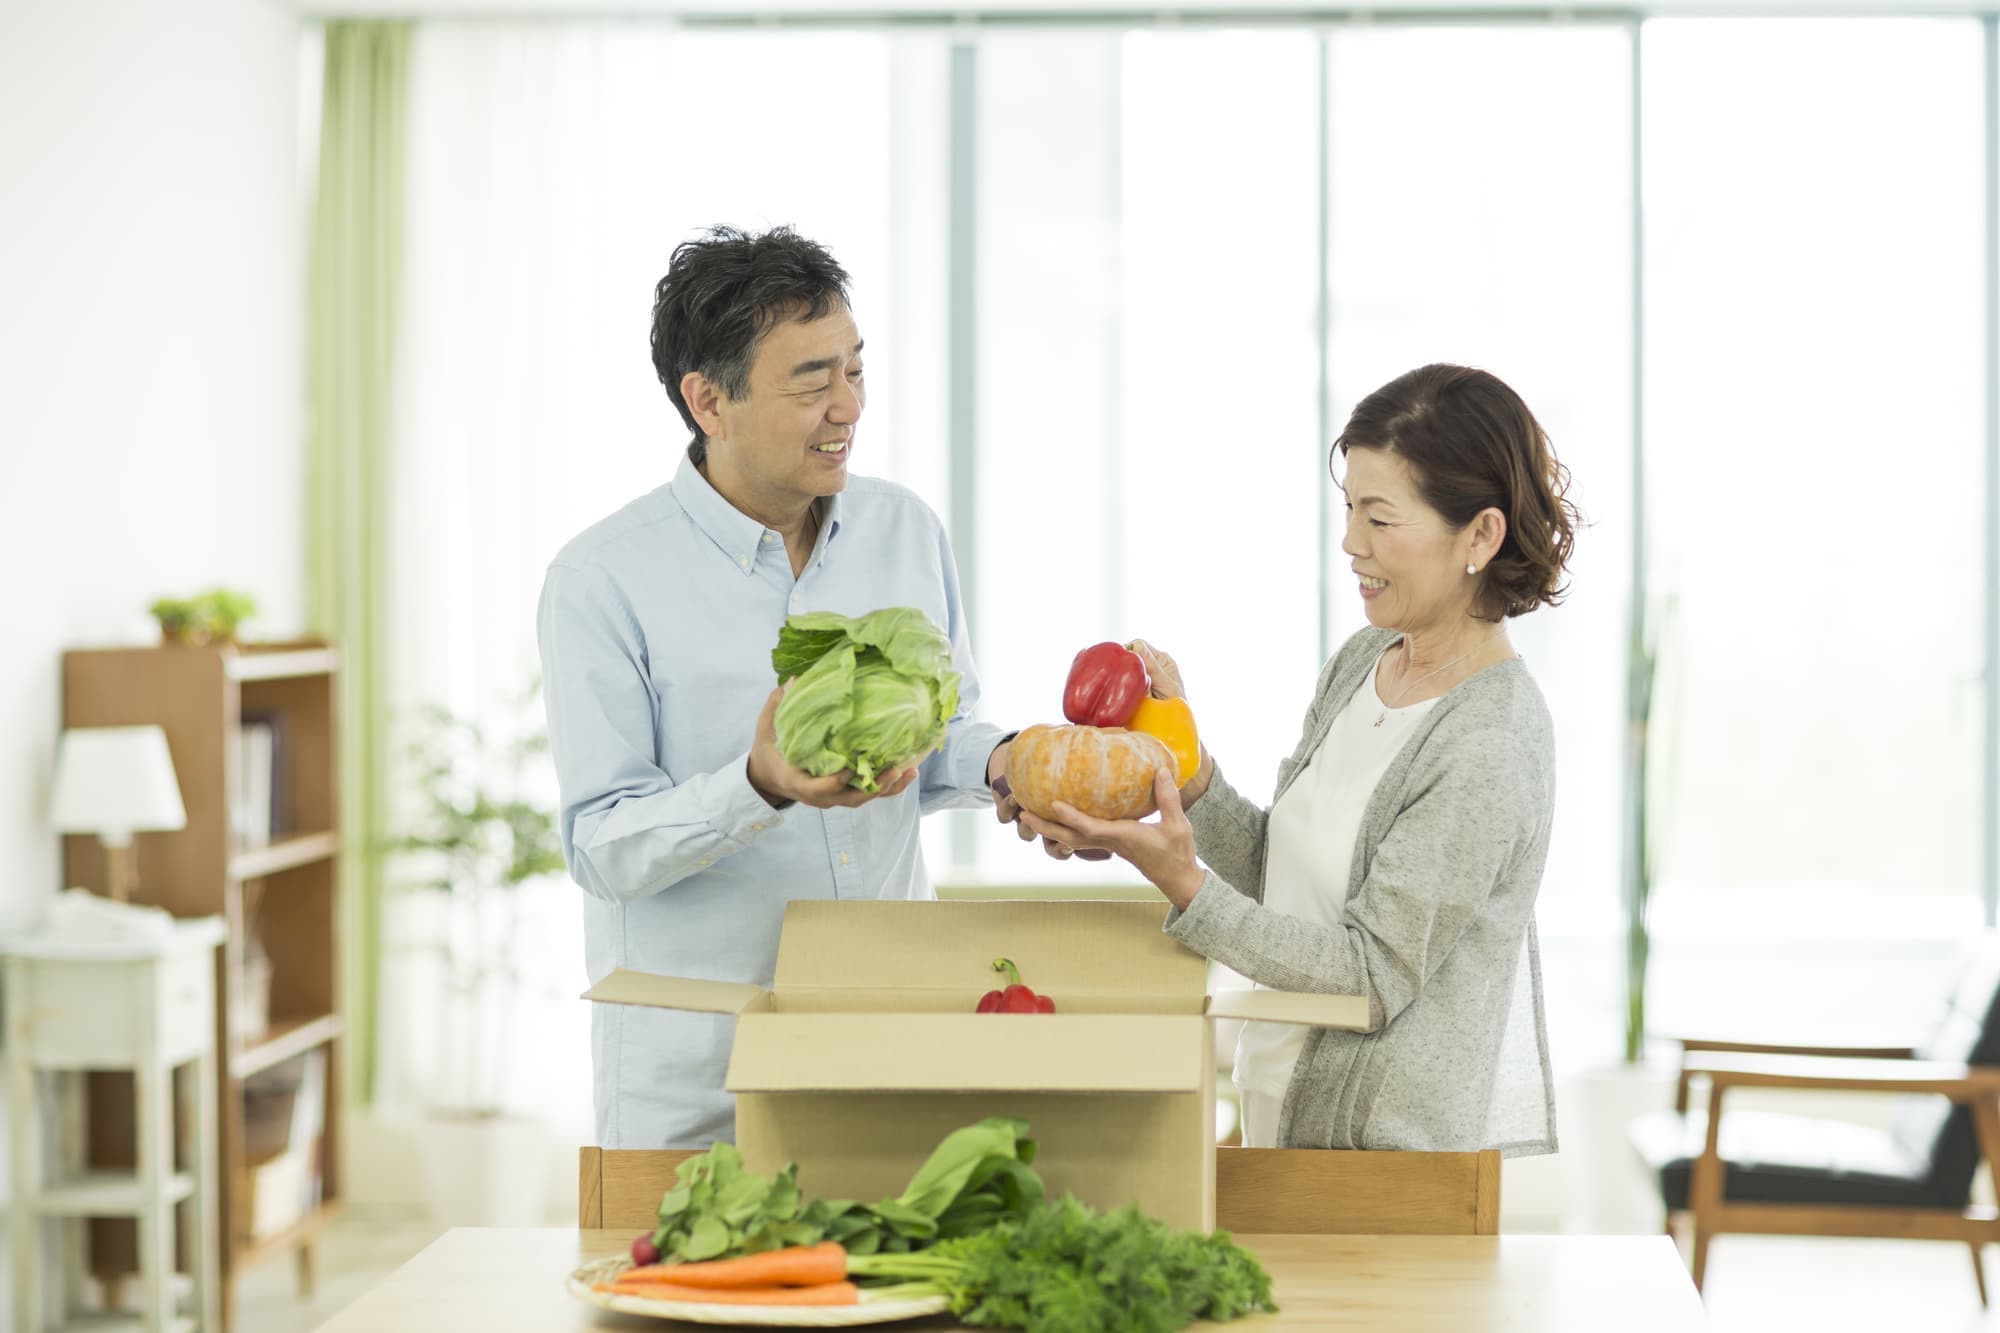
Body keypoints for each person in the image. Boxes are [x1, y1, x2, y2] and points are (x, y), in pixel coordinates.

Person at [538, 225, 1018, 1149]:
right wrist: (758, 785)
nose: (848, 406)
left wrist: (1007, 761)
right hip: (700, 1084)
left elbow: (940, 733)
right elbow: (602, 844)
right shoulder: (602, 580)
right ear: (708, 401)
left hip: (883, 1046)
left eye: (856, 369)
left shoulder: (903, 529)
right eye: (811, 381)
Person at [1020, 363, 1574, 1155]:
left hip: (1385, 1169)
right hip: (1284, 1126)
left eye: (1380, 519)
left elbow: (1371, 974)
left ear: (1479, 536)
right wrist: (1190, 773)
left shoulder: (1489, 744)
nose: (1351, 543)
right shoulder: (1365, 660)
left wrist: (1184, 883)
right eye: (1349, 509)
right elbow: (1289, 876)